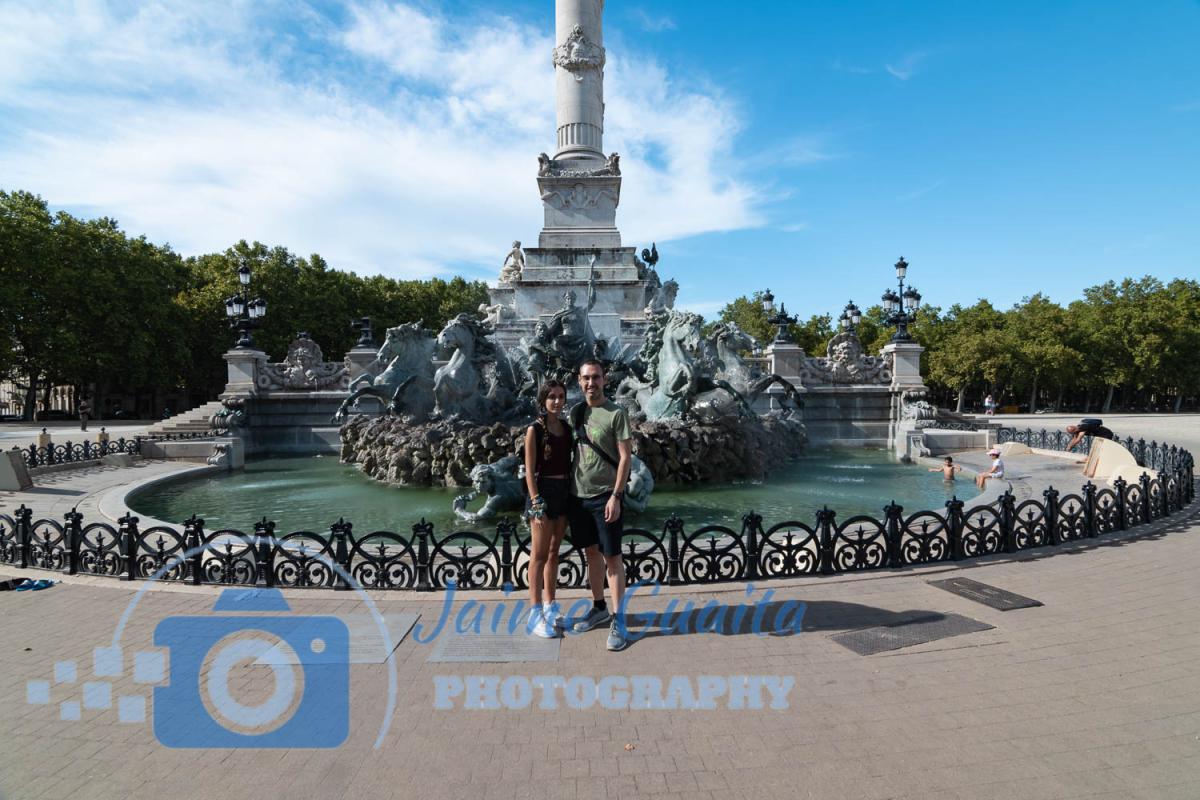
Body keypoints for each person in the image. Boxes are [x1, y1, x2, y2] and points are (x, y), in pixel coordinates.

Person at [568, 359, 633, 651]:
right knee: (591, 555)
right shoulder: (576, 412)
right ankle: (598, 607)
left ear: (605, 380)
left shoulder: (616, 413)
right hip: (579, 497)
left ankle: (619, 619)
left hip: (606, 497)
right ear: (579, 382)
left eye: (595, 377)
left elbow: (625, 458)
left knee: (612, 559)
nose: (590, 383)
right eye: (585, 378)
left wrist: (616, 496)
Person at [522, 380, 572, 639]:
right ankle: (534, 612)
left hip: (563, 492)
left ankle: (551, 606)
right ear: (543, 400)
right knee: (538, 555)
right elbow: (529, 471)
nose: (556, 401)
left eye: (560, 396)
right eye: (551, 396)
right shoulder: (534, 430)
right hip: (542, 494)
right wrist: (536, 502)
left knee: (554, 552)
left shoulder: (565, 428)